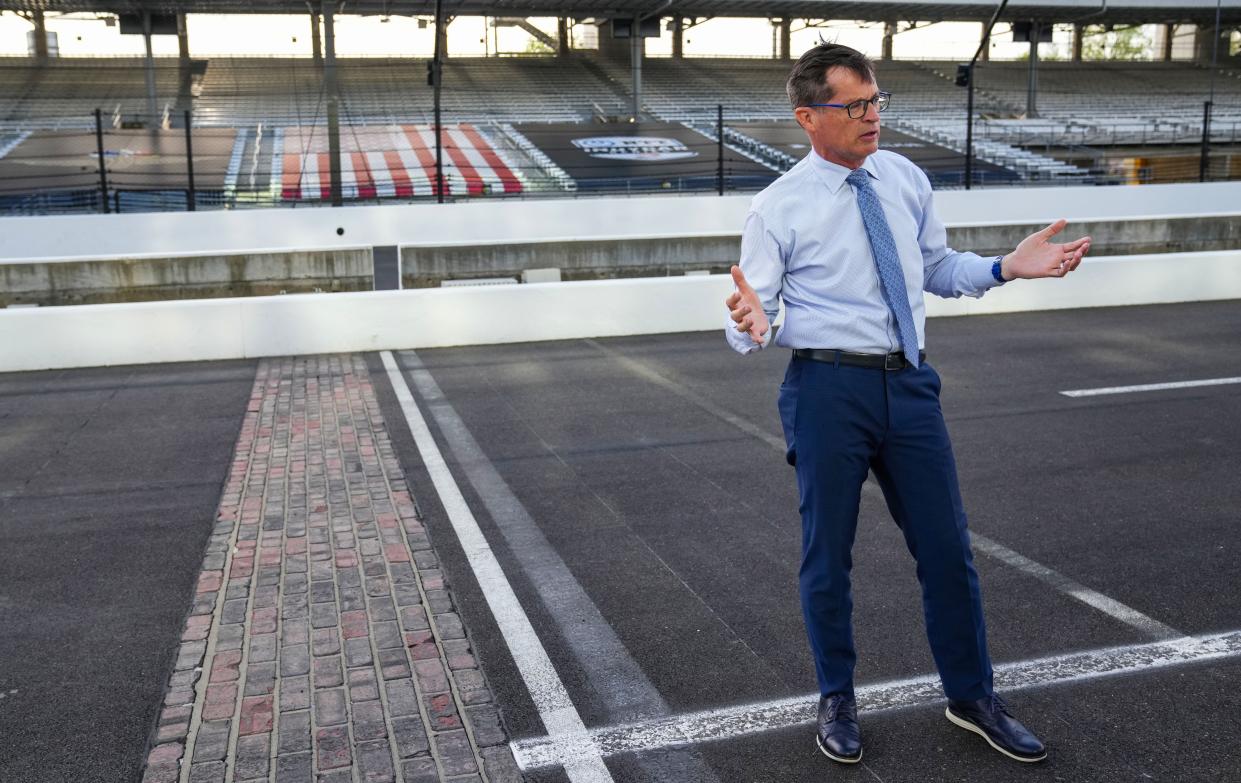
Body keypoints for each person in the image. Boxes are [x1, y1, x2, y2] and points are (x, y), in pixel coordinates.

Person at [725, 43, 1091, 766]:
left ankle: (970, 693)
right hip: (827, 388)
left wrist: (1002, 267)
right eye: (853, 105)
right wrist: (750, 324)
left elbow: (931, 268)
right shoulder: (777, 207)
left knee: (948, 550)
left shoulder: (904, 178)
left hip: (910, 386)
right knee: (827, 555)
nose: (871, 117)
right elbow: (752, 310)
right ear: (808, 117)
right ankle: (836, 696)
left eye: (875, 100)